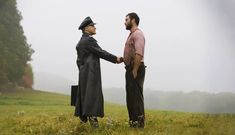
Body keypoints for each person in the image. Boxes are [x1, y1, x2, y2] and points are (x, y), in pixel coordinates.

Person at [75, 16, 123, 128]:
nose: (95, 27)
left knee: (86, 96)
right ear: (87, 28)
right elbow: (101, 52)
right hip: (91, 74)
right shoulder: (89, 41)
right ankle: (94, 126)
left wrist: (83, 71)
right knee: (92, 96)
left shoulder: (81, 42)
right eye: (93, 26)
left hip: (83, 74)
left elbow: (78, 61)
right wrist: (116, 58)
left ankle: (86, 124)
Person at [123, 12, 146, 128]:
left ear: (133, 20)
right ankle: (133, 123)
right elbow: (132, 53)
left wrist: (135, 69)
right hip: (130, 68)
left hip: (135, 68)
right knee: (131, 97)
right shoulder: (132, 34)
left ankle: (139, 124)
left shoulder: (138, 34)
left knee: (136, 97)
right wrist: (124, 59)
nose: (124, 22)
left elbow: (139, 53)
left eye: (126, 19)